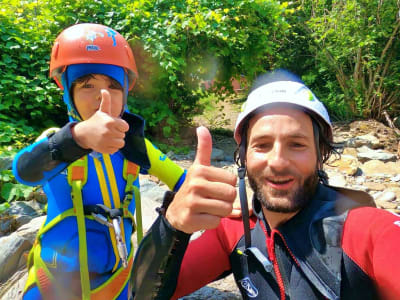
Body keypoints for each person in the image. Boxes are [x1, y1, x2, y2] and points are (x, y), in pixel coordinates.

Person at [130, 70, 400, 300]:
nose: (278, 161)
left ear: (321, 154)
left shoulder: (365, 230)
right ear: (243, 157)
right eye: (262, 145)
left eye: (297, 144)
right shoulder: (234, 230)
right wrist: (173, 223)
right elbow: (142, 294)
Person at [12, 23, 187, 300]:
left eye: (113, 86)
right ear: (68, 92)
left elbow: (183, 182)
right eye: (87, 84)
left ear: (125, 94)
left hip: (116, 282)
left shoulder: (135, 146)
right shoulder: (55, 143)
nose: (100, 96)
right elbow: (24, 171)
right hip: (52, 285)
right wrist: (78, 138)